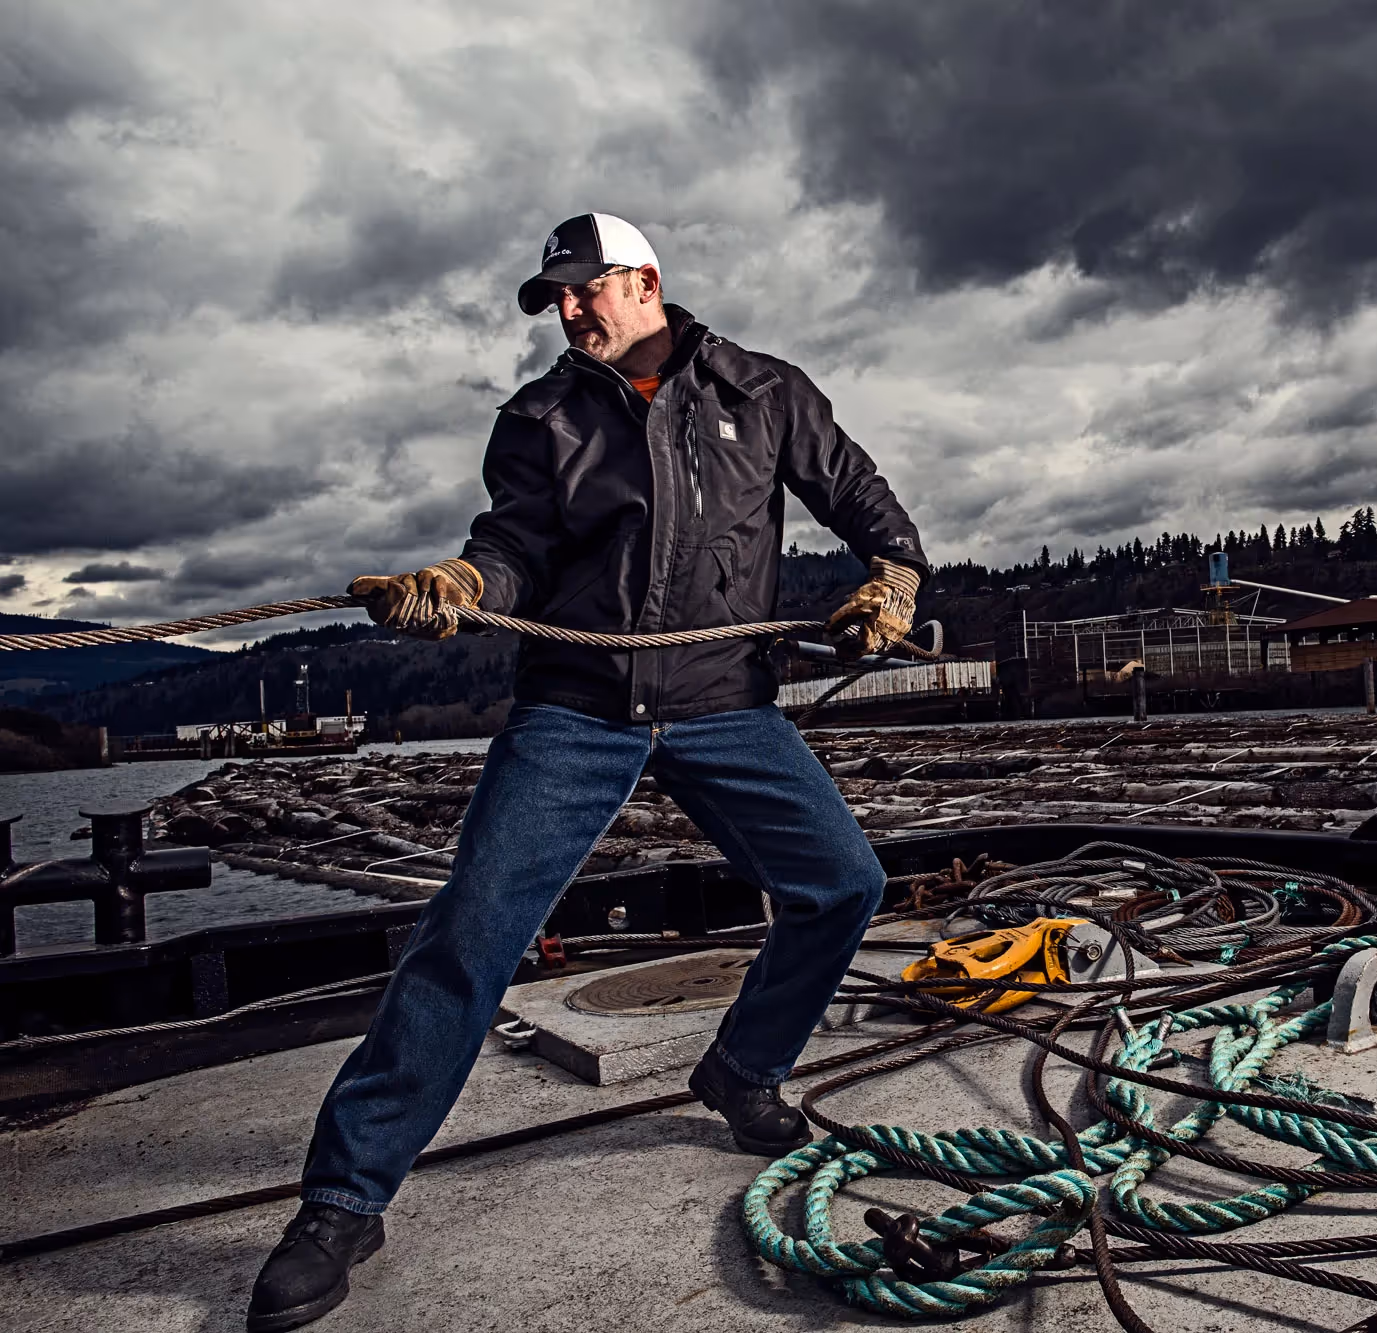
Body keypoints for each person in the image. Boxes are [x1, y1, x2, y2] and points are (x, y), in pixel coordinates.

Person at [246, 212, 927, 1332]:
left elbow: (865, 504)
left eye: (582, 290)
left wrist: (890, 584)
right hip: (575, 712)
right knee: (470, 933)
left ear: (644, 281)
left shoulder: (767, 393)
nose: (567, 312)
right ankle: (340, 1201)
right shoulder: (540, 418)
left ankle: (740, 1068)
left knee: (842, 885)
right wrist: (463, 586)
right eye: (553, 300)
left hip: (722, 704)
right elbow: (516, 551)